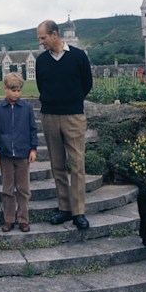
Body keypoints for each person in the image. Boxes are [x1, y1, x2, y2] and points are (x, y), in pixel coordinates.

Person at [35, 19, 93, 230]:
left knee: (77, 164)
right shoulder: (41, 61)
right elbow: (42, 87)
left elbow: (87, 84)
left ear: (55, 34)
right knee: (57, 165)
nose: (41, 42)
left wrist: (71, 101)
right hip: (50, 117)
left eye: (43, 38)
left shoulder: (78, 56)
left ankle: (79, 212)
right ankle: (64, 208)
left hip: (74, 117)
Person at [0, 73, 38, 233]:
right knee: (7, 189)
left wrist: (33, 149)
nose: (16, 93)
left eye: (19, 90)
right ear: (5, 89)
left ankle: (23, 219)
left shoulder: (26, 109)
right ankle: (8, 219)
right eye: (13, 90)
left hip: (23, 154)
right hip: (5, 155)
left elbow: (32, 130)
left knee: (24, 189)